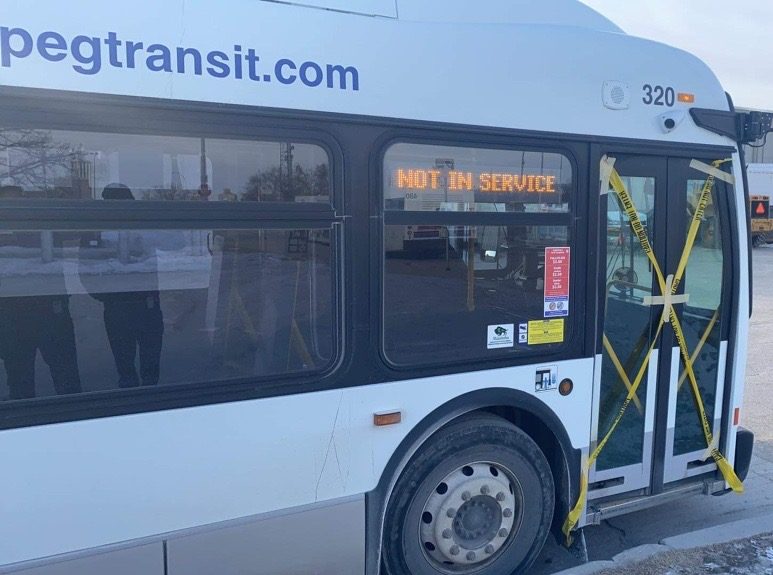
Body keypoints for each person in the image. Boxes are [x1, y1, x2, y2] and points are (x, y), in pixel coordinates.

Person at [0, 185, 82, 399]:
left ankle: (72, 420)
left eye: (19, 201)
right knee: (20, 380)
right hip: (11, 314)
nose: (15, 207)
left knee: (66, 379)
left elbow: (77, 228)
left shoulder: (44, 224)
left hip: (51, 310)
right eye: (9, 203)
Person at [92, 183, 164, 387]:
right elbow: (86, 268)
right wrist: (107, 295)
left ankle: (151, 404)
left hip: (146, 306)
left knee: (150, 365)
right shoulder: (98, 232)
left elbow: (177, 244)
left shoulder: (145, 228)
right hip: (118, 307)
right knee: (125, 367)